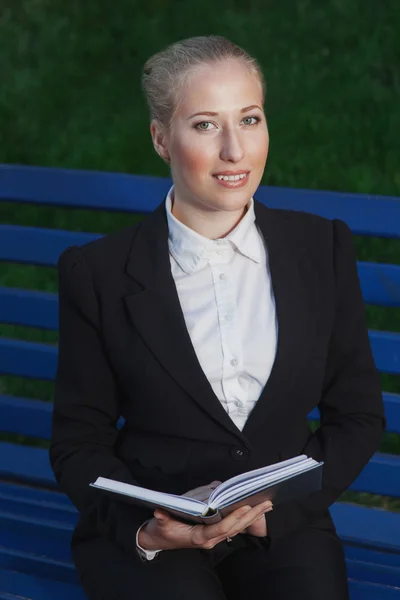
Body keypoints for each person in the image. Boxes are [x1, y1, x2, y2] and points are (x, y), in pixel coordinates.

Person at [49, 35, 385, 600]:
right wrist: (145, 528)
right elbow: (78, 441)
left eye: (249, 119)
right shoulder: (98, 273)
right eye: (205, 125)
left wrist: (275, 512)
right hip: (152, 532)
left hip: (282, 526)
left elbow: (357, 415)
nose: (235, 150)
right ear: (161, 138)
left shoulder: (320, 248)